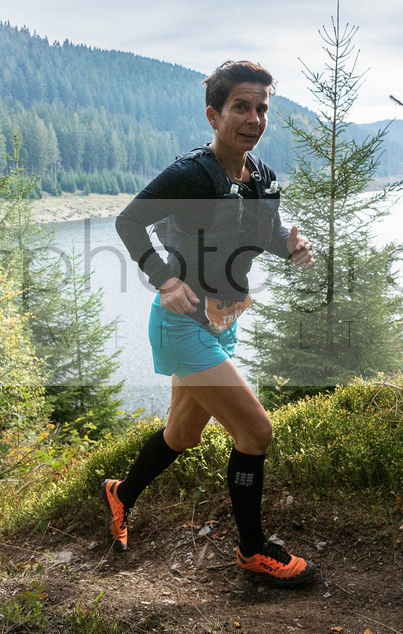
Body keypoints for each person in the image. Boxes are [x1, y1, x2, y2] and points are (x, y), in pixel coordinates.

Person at [106, 60, 316, 587]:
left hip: (224, 322)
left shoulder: (261, 176)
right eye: (241, 107)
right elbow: (129, 220)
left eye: (261, 108)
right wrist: (163, 279)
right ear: (213, 115)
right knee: (256, 431)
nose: (253, 118)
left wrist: (289, 245)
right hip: (183, 325)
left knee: (181, 435)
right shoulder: (191, 175)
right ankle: (253, 551)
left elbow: (262, 234)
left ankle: (120, 495)